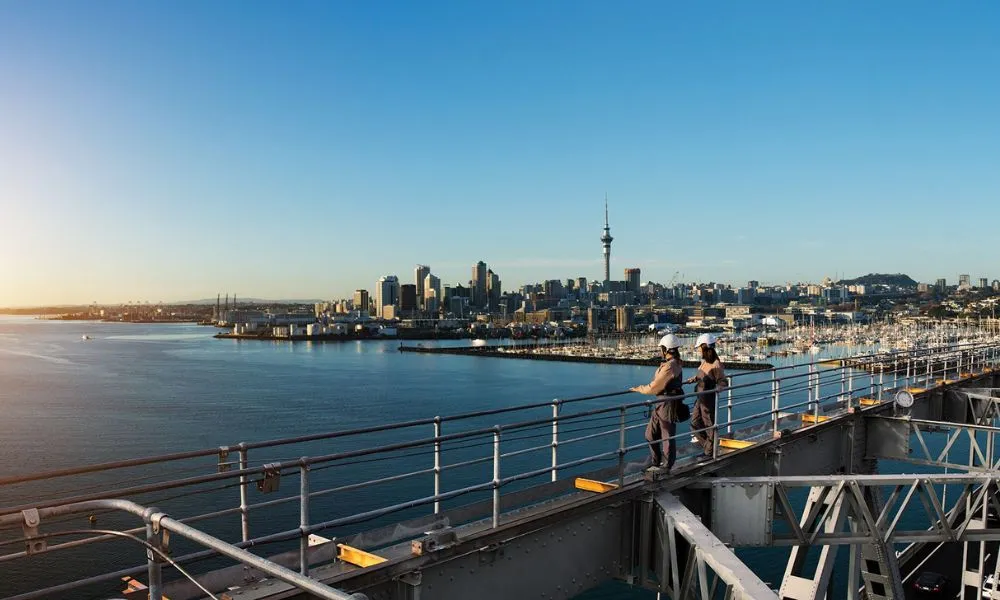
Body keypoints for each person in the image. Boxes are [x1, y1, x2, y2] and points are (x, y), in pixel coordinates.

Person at [630, 334, 685, 473]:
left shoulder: (670, 366)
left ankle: (666, 465)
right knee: (651, 434)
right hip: (662, 402)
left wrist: (639, 389)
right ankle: (657, 461)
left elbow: (655, 386)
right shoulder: (674, 363)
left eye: (661, 348)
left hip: (666, 402)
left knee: (666, 434)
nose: (660, 351)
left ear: (665, 349)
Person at [686, 333, 727, 456]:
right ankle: (709, 448)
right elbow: (702, 375)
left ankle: (710, 451)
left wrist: (718, 388)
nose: (698, 349)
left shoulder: (716, 364)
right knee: (695, 423)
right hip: (700, 397)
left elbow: (723, 381)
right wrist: (694, 378)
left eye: (699, 347)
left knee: (709, 425)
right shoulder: (704, 362)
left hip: (708, 398)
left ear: (704, 346)